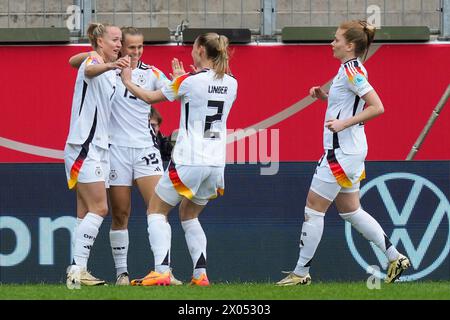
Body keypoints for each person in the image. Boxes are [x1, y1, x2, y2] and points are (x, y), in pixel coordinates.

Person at [276, 20, 410, 286]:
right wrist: (324, 96)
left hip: (341, 151)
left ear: (350, 46)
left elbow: (377, 106)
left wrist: (343, 123)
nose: (332, 43)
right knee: (350, 210)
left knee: (313, 209)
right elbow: (350, 102)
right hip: (350, 149)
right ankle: (395, 257)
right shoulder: (349, 69)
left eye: (336, 39)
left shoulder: (351, 70)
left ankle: (301, 273)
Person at [120, 32, 238, 286]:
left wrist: (128, 81)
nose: (192, 51)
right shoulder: (232, 82)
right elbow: (201, 96)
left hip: (189, 159)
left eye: (194, 48)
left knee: (156, 210)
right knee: (189, 214)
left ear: (201, 52)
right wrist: (181, 81)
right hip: (216, 163)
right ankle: (200, 274)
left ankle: (161, 270)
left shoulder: (188, 80)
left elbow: (151, 98)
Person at [68, 27, 183, 286]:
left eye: (139, 47)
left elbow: (172, 93)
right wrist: (102, 58)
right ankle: (122, 274)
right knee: (120, 213)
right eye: (129, 46)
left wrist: (180, 81)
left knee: (158, 209)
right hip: (114, 150)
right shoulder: (109, 69)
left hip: (145, 149)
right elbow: (77, 63)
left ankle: (163, 270)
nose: (134, 51)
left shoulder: (151, 73)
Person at [64, 22, 130, 289]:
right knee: (101, 208)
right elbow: (88, 67)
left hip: (100, 147)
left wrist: (108, 62)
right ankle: (76, 269)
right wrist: (108, 63)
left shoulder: (105, 64)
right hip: (85, 146)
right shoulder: (95, 62)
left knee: (84, 213)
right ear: (100, 41)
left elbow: (73, 60)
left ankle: (79, 272)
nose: (119, 44)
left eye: (120, 40)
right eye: (114, 39)